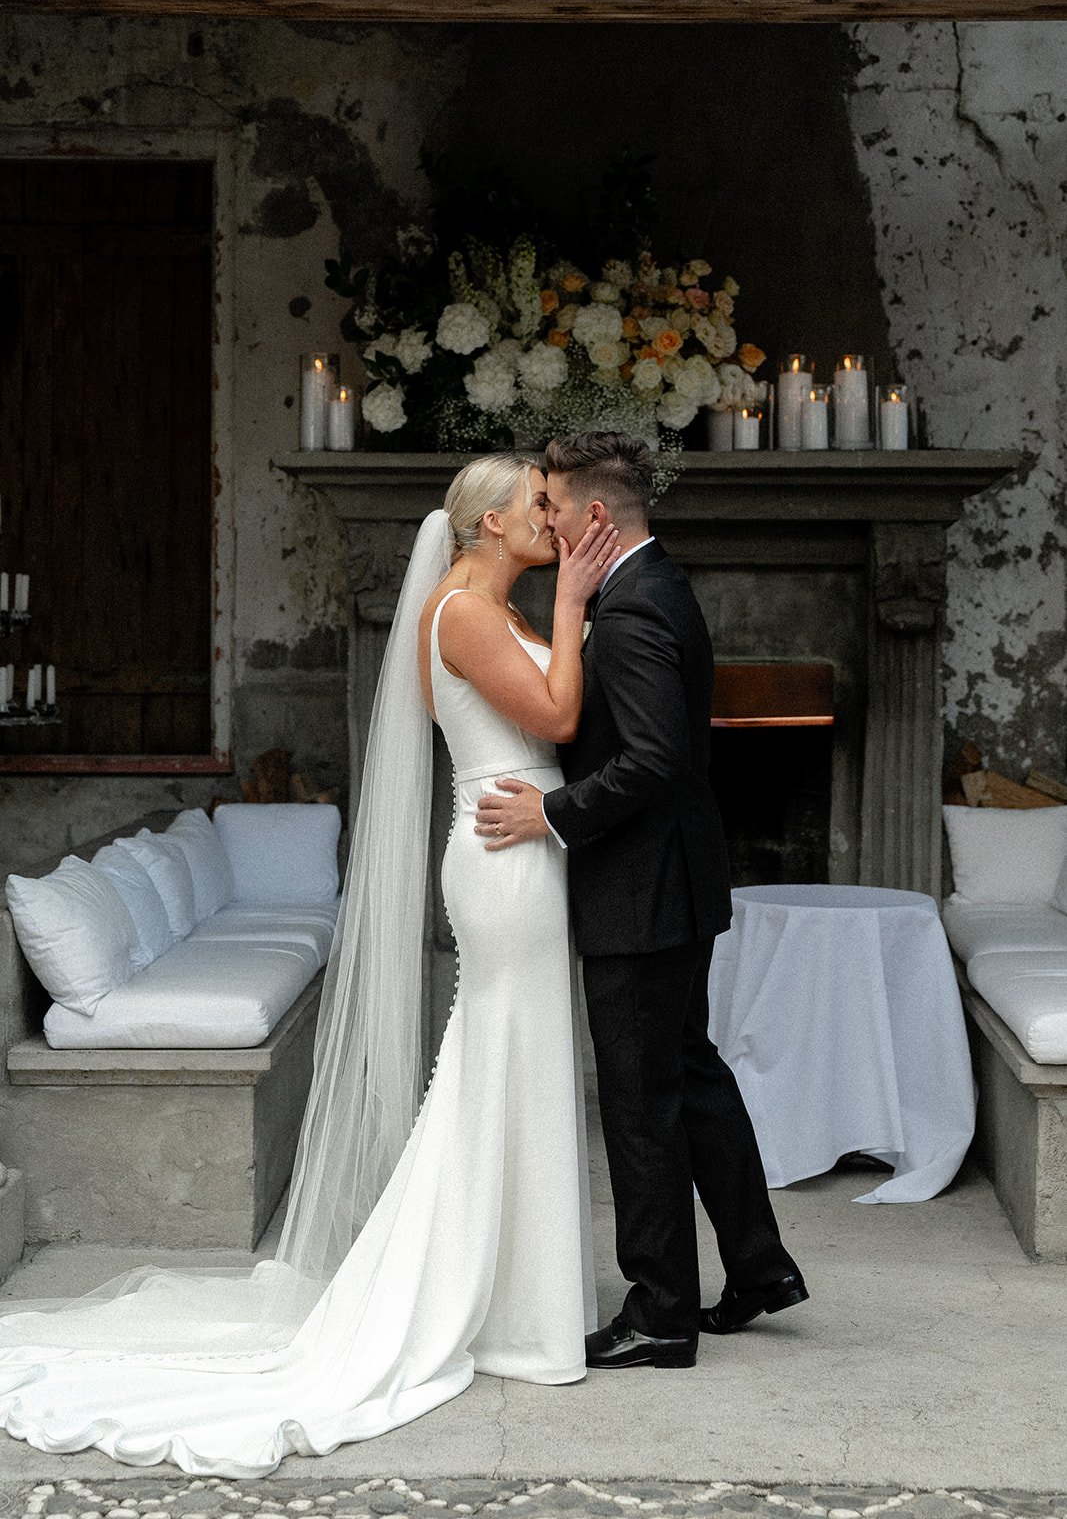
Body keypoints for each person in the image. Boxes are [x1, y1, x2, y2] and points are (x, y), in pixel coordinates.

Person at [0, 454, 615, 1477]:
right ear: (487, 524)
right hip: (506, 846)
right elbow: (553, 719)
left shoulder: (486, 605)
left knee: (517, 1061)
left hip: (524, 839)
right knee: (503, 1055)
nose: (551, 521)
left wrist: (573, 617)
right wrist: (580, 603)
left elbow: (550, 703)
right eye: (536, 508)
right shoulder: (461, 613)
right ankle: (495, 1305)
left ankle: (519, 1302)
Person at [475, 430, 807, 1370]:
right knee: (689, 1076)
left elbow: (655, 759)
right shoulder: (654, 584)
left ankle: (660, 1312)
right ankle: (757, 1267)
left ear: (590, 516)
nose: (540, 520)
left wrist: (553, 812)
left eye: (548, 507)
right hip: (674, 881)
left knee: (638, 1105)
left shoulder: (628, 614)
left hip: (640, 891)